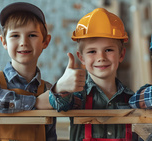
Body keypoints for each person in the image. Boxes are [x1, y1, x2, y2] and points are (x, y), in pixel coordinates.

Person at [49, 8, 135, 141]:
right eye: (92, 51)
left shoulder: (131, 100)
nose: (101, 57)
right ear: (81, 57)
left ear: (121, 54)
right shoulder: (78, 97)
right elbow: (60, 103)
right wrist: (61, 87)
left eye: (108, 50)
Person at [0, 2, 56, 141]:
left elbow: (50, 135)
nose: (24, 42)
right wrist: (35, 103)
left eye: (32, 35)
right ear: (3, 42)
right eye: (15, 36)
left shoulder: (47, 89)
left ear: (46, 41)